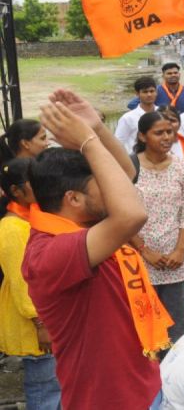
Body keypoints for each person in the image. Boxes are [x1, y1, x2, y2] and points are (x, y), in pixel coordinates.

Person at [22, 89, 166, 409]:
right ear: (73, 198)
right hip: (107, 399)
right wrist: (87, 142)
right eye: (101, 185)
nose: (114, 191)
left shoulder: (81, 224)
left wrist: (97, 129)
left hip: (142, 383)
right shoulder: (49, 253)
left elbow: (125, 176)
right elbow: (132, 214)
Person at [129, 111, 184, 343]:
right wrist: (144, 250)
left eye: (169, 132)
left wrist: (180, 250)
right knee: (145, 328)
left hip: (175, 260)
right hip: (139, 260)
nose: (167, 137)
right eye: (159, 133)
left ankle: (177, 364)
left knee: (178, 327)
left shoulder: (181, 167)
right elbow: (120, 213)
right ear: (142, 136)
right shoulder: (129, 168)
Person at [0, 158, 62, 409]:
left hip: (46, 317)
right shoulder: (12, 228)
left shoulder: (31, 219)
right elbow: (22, 282)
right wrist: (41, 324)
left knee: (52, 385)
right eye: (33, 181)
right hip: (35, 324)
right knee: (44, 388)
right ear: (16, 191)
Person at [115, 76, 158, 152]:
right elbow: (117, 143)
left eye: (152, 91)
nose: (149, 94)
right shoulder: (128, 118)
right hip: (136, 157)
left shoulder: (163, 113)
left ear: (156, 92)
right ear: (137, 94)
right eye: (145, 92)